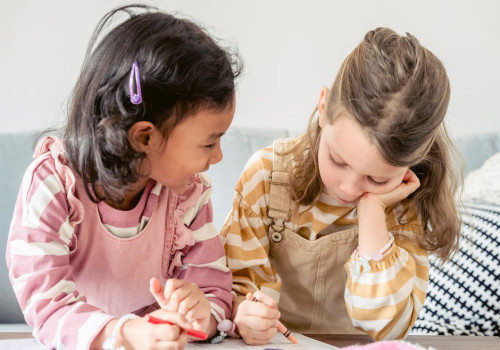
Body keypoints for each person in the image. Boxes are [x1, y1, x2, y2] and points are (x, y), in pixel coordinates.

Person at [6, 4, 242, 350]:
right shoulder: (54, 183)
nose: (218, 157)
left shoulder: (187, 194)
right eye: (209, 143)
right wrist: (127, 334)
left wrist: (200, 311)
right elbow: (46, 306)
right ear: (144, 137)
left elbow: (216, 295)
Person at [221, 27, 462, 344]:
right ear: (323, 108)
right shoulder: (266, 176)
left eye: (377, 179)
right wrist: (244, 312)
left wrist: (373, 211)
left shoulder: (405, 205)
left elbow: (387, 328)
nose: (349, 188)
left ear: (413, 161)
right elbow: (234, 286)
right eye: (337, 160)